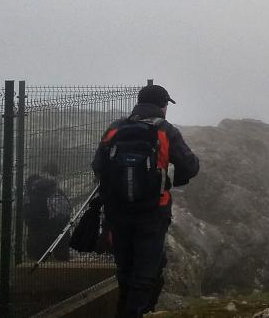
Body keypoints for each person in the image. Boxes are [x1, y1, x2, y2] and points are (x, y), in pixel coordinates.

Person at [91, 84, 199, 318]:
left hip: (117, 212)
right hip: (153, 212)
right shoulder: (166, 131)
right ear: (163, 106)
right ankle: (137, 312)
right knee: (146, 271)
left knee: (126, 269)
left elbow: (97, 166)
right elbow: (190, 166)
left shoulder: (115, 128)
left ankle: (130, 311)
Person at [24, 162, 71, 261]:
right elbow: (65, 215)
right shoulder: (55, 193)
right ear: (55, 176)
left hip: (35, 240)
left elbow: (28, 218)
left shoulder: (30, 191)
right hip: (57, 237)